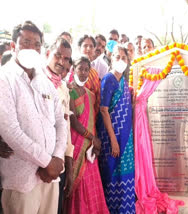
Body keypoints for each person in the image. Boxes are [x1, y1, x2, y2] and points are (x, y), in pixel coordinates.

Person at [0, 20, 67, 214]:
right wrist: (48, 162)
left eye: (37, 44)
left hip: (50, 178)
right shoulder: (4, 79)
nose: (32, 48)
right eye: (26, 42)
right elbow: (11, 131)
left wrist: (57, 157)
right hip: (21, 181)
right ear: (14, 46)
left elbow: (60, 122)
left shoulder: (45, 81)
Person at [65, 56, 109, 214]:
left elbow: (92, 120)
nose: (83, 73)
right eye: (80, 69)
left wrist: (94, 144)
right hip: (76, 146)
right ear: (74, 69)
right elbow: (74, 122)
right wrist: (93, 138)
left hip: (89, 148)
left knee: (91, 183)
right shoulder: (69, 91)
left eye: (86, 70)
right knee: (78, 184)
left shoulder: (90, 94)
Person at [97, 45, 135, 213]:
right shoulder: (108, 80)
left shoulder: (124, 82)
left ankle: (126, 210)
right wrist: (113, 140)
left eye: (123, 57)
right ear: (111, 59)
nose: (120, 60)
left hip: (126, 139)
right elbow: (104, 110)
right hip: (111, 137)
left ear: (128, 61)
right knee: (112, 176)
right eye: (117, 57)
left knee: (125, 174)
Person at [44, 37, 74, 214]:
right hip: (34, 164)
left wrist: (68, 167)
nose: (62, 62)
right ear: (48, 54)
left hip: (58, 163)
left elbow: (66, 127)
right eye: (58, 56)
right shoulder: (34, 79)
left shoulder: (63, 88)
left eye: (66, 59)